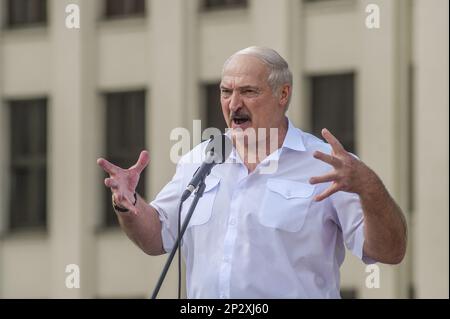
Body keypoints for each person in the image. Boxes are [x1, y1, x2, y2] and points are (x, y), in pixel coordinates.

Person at [97, 46, 407, 299]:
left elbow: (390, 251)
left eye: (248, 91)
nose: (233, 104)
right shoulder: (201, 160)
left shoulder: (329, 165)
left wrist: (369, 187)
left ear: (282, 95)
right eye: (225, 91)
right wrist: (129, 204)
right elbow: (157, 238)